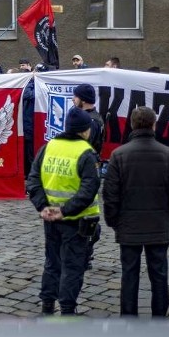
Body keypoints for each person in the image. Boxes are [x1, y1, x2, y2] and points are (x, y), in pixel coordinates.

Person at [103, 106, 169, 317]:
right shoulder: (168, 154)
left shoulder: (119, 155)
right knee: (159, 274)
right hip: (159, 223)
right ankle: (159, 316)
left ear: (132, 125)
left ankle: (129, 316)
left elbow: (110, 194)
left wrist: (113, 221)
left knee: (129, 273)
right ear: (154, 125)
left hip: (129, 225)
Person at [26, 107, 100, 315]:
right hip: (76, 220)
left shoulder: (48, 147)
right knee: (73, 266)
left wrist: (42, 207)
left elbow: (33, 180)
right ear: (85, 131)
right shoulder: (86, 153)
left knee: (52, 262)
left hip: (50, 218)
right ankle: (67, 309)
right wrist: (65, 210)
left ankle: (47, 304)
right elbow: (89, 189)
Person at [72, 83, 105, 269]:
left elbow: (83, 147)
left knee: (85, 214)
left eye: (75, 96)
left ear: (82, 100)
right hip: (89, 168)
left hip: (85, 171)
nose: (72, 99)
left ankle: (85, 253)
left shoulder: (89, 121)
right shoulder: (94, 117)